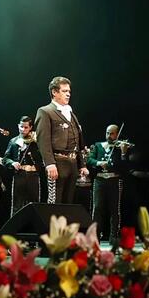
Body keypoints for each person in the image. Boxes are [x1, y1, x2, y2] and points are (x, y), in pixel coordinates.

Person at [35, 76, 89, 204]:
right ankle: (51, 225)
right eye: (64, 91)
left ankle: (65, 225)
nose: (68, 94)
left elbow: (77, 141)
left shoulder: (70, 113)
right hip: (57, 162)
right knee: (55, 202)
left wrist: (82, 164)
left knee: (68, 202)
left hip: (72, 163)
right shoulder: (45, 111)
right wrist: (49, 163)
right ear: (54, 92)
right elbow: (43, 140)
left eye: (69, 91)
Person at [86, 124, 131, 243]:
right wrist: (99, 163)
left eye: (112, 133)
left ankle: (114, 237)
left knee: (114, 209)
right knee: (97, 209)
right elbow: (89, 160)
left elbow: (125, 167)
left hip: (114, 181)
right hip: (99, 180)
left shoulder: (119, 147)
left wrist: (123, 153)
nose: (109, 136)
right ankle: (95, 237)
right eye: (107, 133)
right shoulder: (97, 146)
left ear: (117, 134)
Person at [3, 116, 42, 214]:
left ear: (30, 128)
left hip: (34, 175)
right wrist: (12, 163)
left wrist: (39, 141)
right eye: (21, 127)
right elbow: (5, 159)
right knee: (17, 203)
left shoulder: (36, 141)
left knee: (34, 203)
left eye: (26, 127)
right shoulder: (13, 141)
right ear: (18, 126)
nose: (23, 130)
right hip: (19, 174)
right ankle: (16, 228)